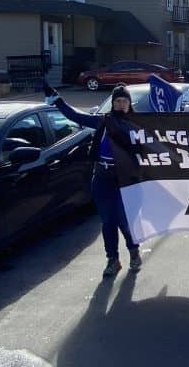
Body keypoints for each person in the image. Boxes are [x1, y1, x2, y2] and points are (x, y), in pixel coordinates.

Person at [44, 81, 143, 278]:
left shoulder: (138, 124)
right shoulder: (103, 122)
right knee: (108, 222)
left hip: (125, 180)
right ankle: (113, 260)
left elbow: (165, 135)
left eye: (125, 100)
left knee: (124, 221)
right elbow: (75, 116)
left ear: (129, 103)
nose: (121, 104)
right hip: (102, 179)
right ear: (113, 103)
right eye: (118, 100)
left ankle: (133, 251)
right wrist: (57, 100)